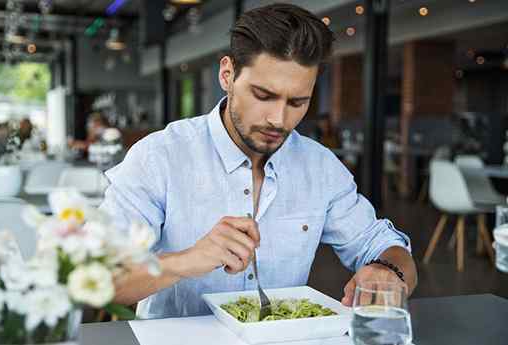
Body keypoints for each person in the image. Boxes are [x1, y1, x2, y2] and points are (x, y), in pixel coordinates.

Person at [100, 3, 417, 319]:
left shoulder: (321, 168)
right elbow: (102, 279)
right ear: (228, 74)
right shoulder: (159, 157)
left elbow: (384, 246)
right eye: (263, 96)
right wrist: (188, 260)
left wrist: (388, 271)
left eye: (297, 102)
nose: (278, 120)